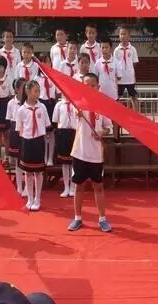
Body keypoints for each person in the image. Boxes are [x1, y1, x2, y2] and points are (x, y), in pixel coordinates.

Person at [67, 73, 113, 233]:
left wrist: (101, 133)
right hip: (80, 152)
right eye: (86, 85)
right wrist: (78, 113)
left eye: (92, 85)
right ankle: (77, 217)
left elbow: (108, 127)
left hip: (96, 154)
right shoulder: (77, 104)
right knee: (79, 186)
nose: (89, 88)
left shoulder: (102, 106)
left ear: (98, 87)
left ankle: (102, 219)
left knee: (98, 186)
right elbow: (74, 121)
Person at [15, 80, 51, 211]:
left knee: (38, 172)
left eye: (39, 91)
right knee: (28, 172)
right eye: (36, 91)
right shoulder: (21, 110)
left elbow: (47, 125)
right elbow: (19, 129)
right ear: (28, 91)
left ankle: (37, 198)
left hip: (39, 141)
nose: (38, 93)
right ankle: (30, 198)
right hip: (26, 141)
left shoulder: (42, 107)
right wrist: (26, 139)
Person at [52, 94, 78, 198]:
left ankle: (72, 186)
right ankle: (66, 187)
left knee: (73, 162)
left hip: (74, 132)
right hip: (62, 133)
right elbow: (55, 120)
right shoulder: (59, 105)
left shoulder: (76, 104)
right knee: (64, 163)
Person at [6, 78, 27, 196]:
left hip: (26, 130)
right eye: (24, 87)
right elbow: (9, 120)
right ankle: (19, 186)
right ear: (17, 89)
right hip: (15, 130)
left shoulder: (28, 102)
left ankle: (27, 187)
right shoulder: (11, 103)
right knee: (17, 161)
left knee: (26, 160)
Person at [37, 54, 57, 166]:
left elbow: (57, 93)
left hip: (51, 104)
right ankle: (44, 157)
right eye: (43, 62)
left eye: (48, 61)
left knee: (51, 132)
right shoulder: (37, 78)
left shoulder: (54, 76)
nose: (46, 64)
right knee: (43, 132)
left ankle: (50, 158)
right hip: (41, 104)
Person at [114, 26, 140, 113]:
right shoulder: (116, 50)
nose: (123, 36)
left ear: (129, 36)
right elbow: (115, 64)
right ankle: (116, 113)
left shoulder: (133, 49)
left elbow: (134, 63)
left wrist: (129, 71)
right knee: (117, 97)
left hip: (130, 79)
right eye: (121, 34)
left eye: (125, 34)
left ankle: (136, 115)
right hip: (120, 79)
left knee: (133, 96)